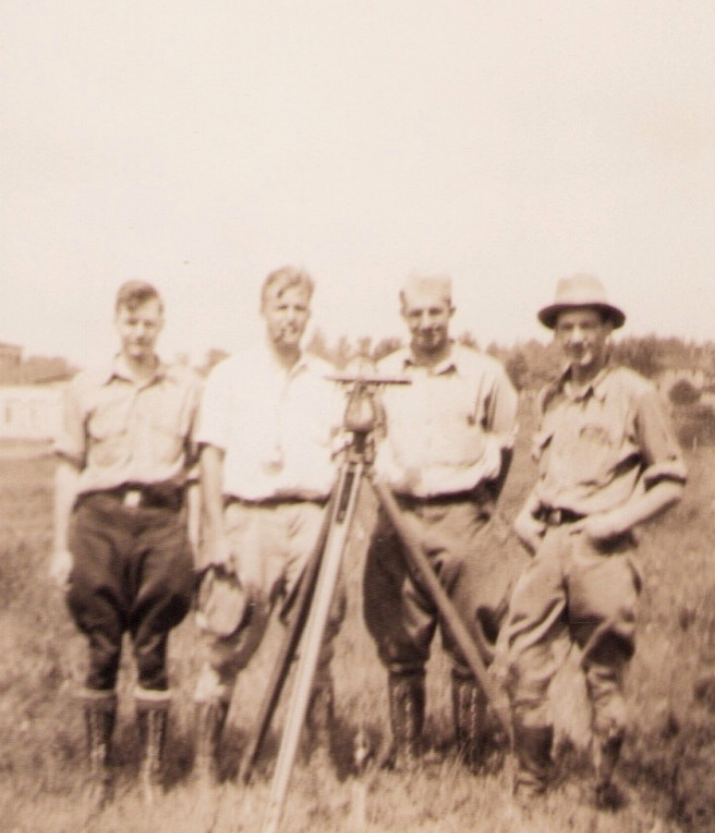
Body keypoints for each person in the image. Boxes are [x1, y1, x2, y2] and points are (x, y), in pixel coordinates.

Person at [505, 274, 687, 805]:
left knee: (603, 674)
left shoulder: (635, 393)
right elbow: (551, 473)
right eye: (567, 327)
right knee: (522, 662)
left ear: (609, 329)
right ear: (556, 334)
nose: (578, 337)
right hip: (548, 546)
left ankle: (603, 787)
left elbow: (672, 480)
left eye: (589, 325)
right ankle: (531, 785)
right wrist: (526, 513)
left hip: (603, 550)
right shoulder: (550, 397)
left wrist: (618, 521)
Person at [49, 281, 202, 804]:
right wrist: (60, 546)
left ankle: (152, 774)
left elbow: (198, 472)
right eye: (131, 323)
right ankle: (100, 772)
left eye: (149, 323)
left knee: (154, 646)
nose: (140, 333)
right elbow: (69, 468)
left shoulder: (185, 387)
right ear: (117, 323)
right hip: (99, 522)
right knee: (102, 646)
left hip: (161, 523)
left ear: (162, 325)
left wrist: (197, 539)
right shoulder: (85, 387)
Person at [192, 266, 345, 783]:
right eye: (281, 307)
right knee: (229, 638)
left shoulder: (329, 377)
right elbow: (210, 458)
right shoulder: (230, 375)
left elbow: (349, 455)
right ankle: (206, 766)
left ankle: (320, 759)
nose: (290, 318)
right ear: (263, 312)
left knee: (316, 642)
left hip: (310, 518)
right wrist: (215, 534)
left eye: (300, 308)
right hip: (249, 519)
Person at [363, 274, 520, 771]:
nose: (427, 323)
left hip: (463, 515)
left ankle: (471, 755)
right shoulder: (383, 373)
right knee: (401, 639)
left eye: (436, 312)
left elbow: (505, 445)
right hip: (400, 518)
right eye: (416, 314)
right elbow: (369, 445)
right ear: (402, 315)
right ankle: (409, 754)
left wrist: (475, 505)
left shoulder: (485, 373)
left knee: (471, 636)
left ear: (452, 312)